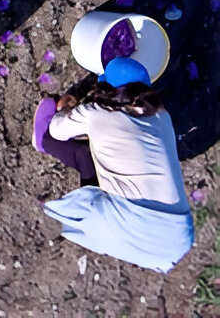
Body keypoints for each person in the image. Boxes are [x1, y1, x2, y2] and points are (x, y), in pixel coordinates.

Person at [32, 57, 194, 272]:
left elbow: (57, 130)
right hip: (178, 238)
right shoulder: (162, 117)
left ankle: (41, 141)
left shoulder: (95, 113)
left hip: (125, 224)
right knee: (99, 154)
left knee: (68, 145)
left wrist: (65, 110)